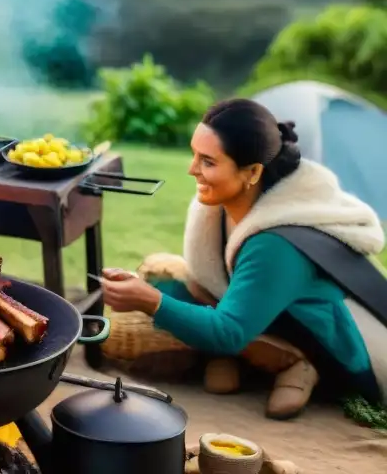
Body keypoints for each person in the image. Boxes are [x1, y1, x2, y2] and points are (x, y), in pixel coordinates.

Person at [101, 98, 387, 419]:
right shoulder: (231, 204)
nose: (191, 169)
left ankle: (296, 364)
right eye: (195, 155)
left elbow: (228, 332)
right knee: (167, 283)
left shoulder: (276, 243)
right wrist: (155, 294)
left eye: (207, 161)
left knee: (163, 301)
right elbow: (208, 278)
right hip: (274, 317)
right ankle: (246, 360)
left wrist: (149, 301)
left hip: (336, 354)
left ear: (252, 172)